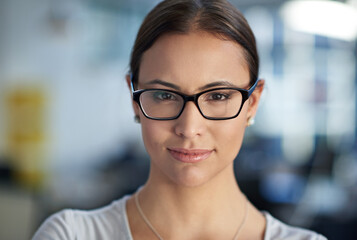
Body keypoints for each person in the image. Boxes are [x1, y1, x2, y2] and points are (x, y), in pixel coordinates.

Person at [32, 0, 327, 239]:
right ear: (135, 99)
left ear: (252, 103)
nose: (189, 128)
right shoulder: (70, 234)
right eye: (163, 96)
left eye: (218, 96)